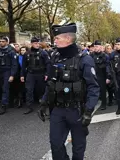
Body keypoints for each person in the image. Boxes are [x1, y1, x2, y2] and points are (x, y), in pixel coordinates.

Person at [38, 23, 100, 160]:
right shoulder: (55, 57)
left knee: (78, 148)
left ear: (68, 38)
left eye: (57, 38)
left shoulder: (84, 59)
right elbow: (51, 83)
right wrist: (44, 102)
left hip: (77, 110)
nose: (55, 40)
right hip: (58, 109)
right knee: (56, 145)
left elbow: (93, 87)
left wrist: (88, 111)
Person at [21, 37, 51, 114]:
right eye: (35, 43)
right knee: (29, 90)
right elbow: (24, 65)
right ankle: (29, 106)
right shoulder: (27, 53)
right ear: (31, 44)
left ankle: (43, 105)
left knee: (41, 89)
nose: (37, 45)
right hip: (31, 74)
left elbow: (48, 64)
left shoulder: (43, 53)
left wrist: (47, 74)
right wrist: (22, 75)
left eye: (38, 43)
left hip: (41, 73)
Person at [0, 36, 18, 115]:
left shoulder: (11, 51)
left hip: (7, 72)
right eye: (0, 41)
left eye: (3, 41)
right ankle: (9, 101)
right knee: (2, 88)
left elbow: (14, 64)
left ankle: (4, 105)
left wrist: (12, 75)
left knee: (5, 88)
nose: (1, 43)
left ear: (6, 42)